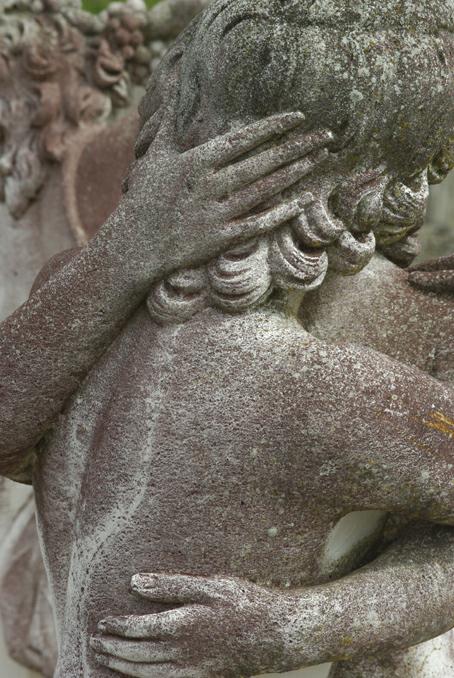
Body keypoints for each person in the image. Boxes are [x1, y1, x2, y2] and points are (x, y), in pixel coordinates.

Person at [1, 1, 454, 677]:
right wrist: (297, 630)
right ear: (387, 181)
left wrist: (297, 629)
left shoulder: (77, 295)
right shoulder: (329, 395)